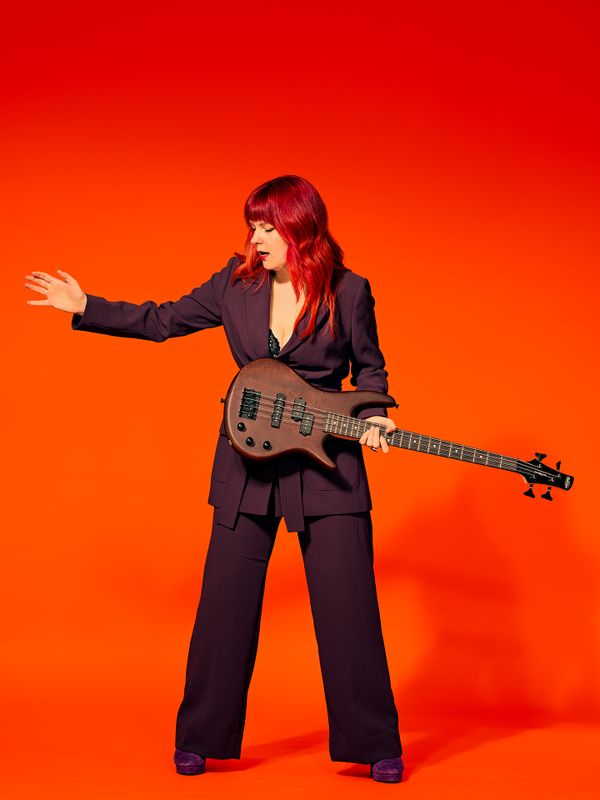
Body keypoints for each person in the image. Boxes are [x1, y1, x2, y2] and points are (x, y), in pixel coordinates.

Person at [24, 174, 404, 783]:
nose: (256, 238)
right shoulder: (235, 283)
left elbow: (372, 370)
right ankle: (201, 738)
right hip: (246, 464)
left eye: (267, 227)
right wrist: (86, 306)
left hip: (329, 469)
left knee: (349, 609)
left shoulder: (350, 291)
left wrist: (375, 416)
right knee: (224, 608)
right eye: (253, 226)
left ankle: (374, 744)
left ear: (300, 228)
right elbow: (162, 320)